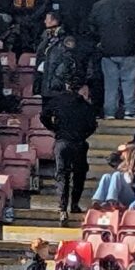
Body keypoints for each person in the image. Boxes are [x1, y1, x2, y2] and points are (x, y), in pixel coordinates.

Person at [41, 77, 97, 226]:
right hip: (78, 143)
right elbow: (92, 125)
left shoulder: (57, 100)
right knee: (79, 174)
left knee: (62, 175)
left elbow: (43, 116)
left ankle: (62, 208)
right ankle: (74, 204)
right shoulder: (85, 105)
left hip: (62, 142)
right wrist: (82, 135)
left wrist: (54, 129)